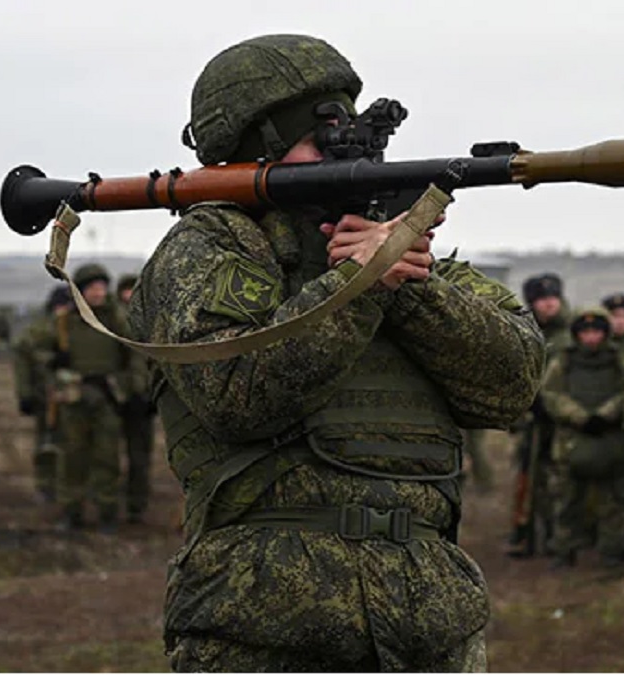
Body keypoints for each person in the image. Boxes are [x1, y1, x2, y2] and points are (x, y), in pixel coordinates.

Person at [127, 34, 545, 671]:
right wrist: (360, 285)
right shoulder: (209, 247)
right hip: (264, 623)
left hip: (431, 624)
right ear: (254, 144)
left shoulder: (407, 258)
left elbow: (510, 384)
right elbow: (237, 393)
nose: (341, 141)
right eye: (317, 130)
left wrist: (406, 284)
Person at [31, 264, 147, 532]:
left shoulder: (117, 319)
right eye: (92, 288)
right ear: (81, 291)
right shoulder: (64, 322)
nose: (99, 292)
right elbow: (38, 353)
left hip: (107, 398)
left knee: (107, 458)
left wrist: (133, 389)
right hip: (73, 398)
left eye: (102, 287)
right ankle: (72, 513)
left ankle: (107, 513)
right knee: (72, 458)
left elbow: (135, 355)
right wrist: (57, 366)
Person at [542, 308, 624, 569]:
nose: (591, 337)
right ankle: (563, 550)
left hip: (609, 440)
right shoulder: (564, 361)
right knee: (566, 501)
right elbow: (551, 394)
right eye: (585, 332)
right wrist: (580, 416)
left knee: (612, 502)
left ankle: (612, 552)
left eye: (596, 331)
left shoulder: (618, 361)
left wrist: (605, 415)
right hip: (572, 441)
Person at [507, 272, 573, 558]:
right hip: (532, 420)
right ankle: (526, 533)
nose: (549, 305)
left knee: (558, 481)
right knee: (527, 478)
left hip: (561, 419)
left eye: (552, 298)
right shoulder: (525, 332)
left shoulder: (570, 336)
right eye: (542, 300)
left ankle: (557, 537)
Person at [12, 285, 73, 504]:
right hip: (44, 396)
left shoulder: (77, 327)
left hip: (72, 396)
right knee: (46, 443)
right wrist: (25, 394)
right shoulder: (37, 330)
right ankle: (46, 486)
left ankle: (70, 487)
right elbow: (23, 361)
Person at [114, 273, 156, 524]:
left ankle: (136, 506)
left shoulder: (152, 320)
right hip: (117, 397)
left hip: (144, 399)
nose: (129, 296)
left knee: (139, 457)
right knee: (105, 455)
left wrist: (150, 394)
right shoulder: (110, 320)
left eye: (134, 290)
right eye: (125, 290)